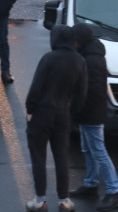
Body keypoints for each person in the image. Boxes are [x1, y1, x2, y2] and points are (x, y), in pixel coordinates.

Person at [24, 24, 87, 212]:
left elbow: (36, 87)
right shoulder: (79, 61)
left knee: (38, 157)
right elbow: (81, 93)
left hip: (42, 114)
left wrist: (30, 108)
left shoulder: (49, 59)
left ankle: (40, 200)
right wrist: (71, 111)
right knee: (61, 157)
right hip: (63, 115)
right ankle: (64, 200)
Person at [70, 23, 118, 212]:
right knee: (89, 149)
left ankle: (113, 192)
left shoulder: (90, 60)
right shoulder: (92, 54)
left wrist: (75, 110)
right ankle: (91, 184)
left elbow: (89, 92)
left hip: (91, 113)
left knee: (99, 151)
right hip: (90, 112)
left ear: (80, 41)